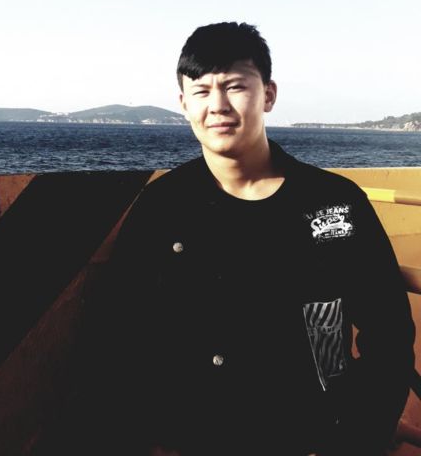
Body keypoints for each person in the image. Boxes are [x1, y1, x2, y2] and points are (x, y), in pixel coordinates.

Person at [36, 22, 416, 456]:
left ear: (268, 95)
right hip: (188, 439)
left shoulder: (333, 203)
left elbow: (388, 334)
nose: (217, 106)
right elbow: (116, 334)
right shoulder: (163, 206)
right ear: (183, 104)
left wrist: (356, 439)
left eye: (235, 86)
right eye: (201, 91)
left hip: (310, 436)